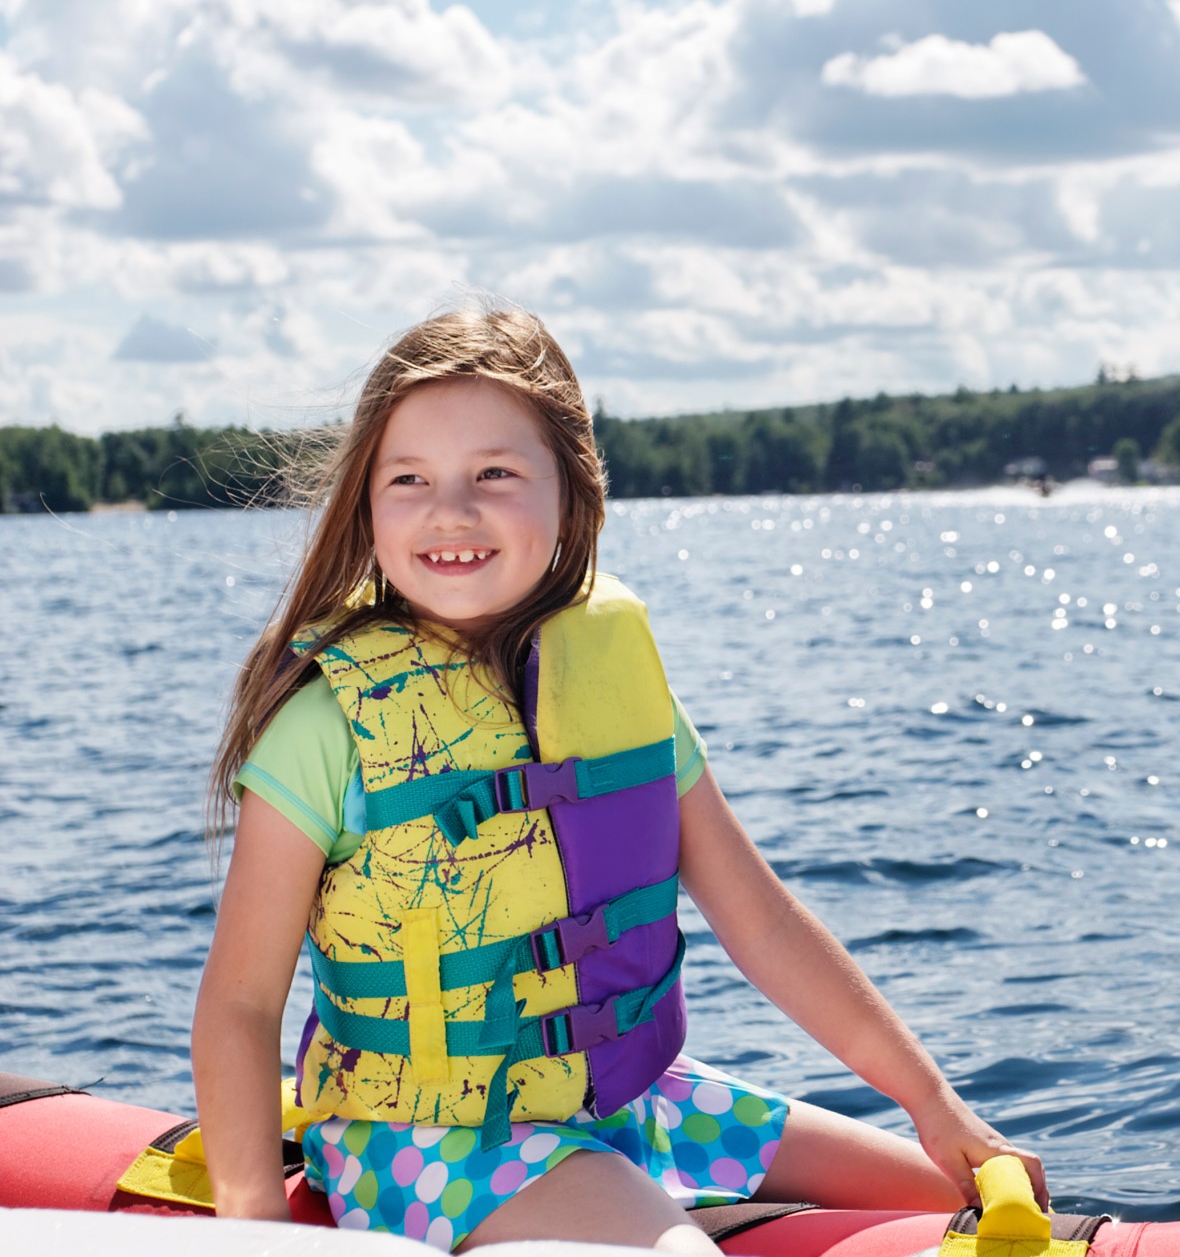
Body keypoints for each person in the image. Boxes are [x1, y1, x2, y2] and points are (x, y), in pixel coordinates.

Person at [191, 302, 1046, 1253]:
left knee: (948, 1195)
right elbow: (238, 1004)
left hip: (633, 1101)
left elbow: (760, 920)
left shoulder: (615, 687)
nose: (452, 511)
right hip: (433, 1141)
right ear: (365, 502)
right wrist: (258, 1232)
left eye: (496, 474)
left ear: (574, 490)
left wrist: (933, 1101)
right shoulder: (327, 725)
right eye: (410, 478)